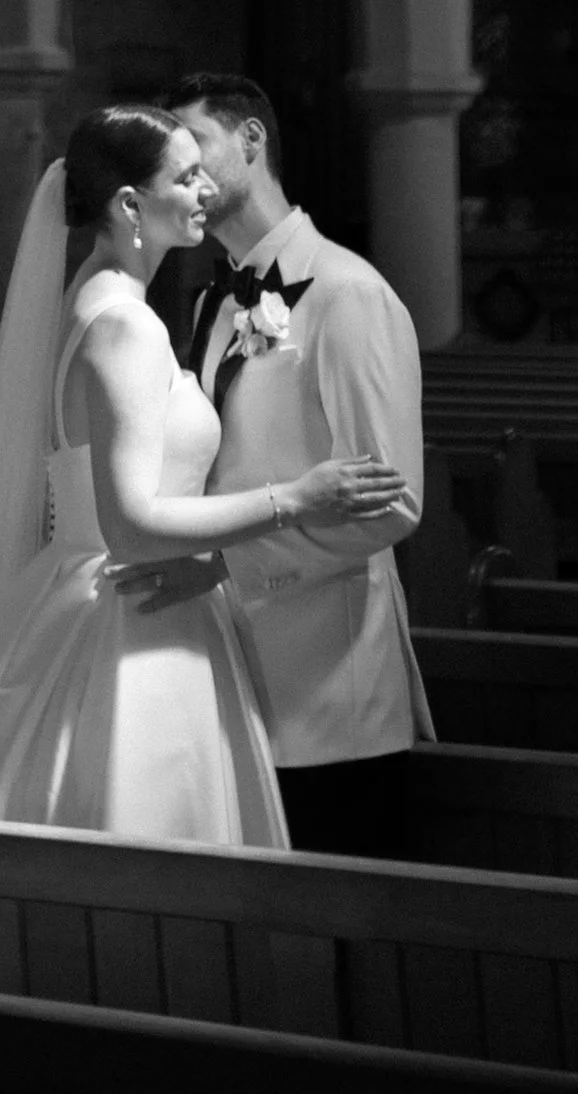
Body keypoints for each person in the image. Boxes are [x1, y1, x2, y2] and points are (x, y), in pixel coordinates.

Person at [0, 105, 407, 844]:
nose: (203, 191)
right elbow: (131, 524)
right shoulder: (124, 325)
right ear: (130, 203)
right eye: (185, 177)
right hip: (129, 617)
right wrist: (297, 497)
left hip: (106, 597)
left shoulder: (99, 304)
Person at [158, 71, 432, 858]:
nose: (189, 177)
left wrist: (220, 565)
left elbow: (392, 505)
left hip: (332, 697)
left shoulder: (351, 295)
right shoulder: (212, 305)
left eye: (198, 146)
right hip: (231, 682)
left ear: (252, 139)